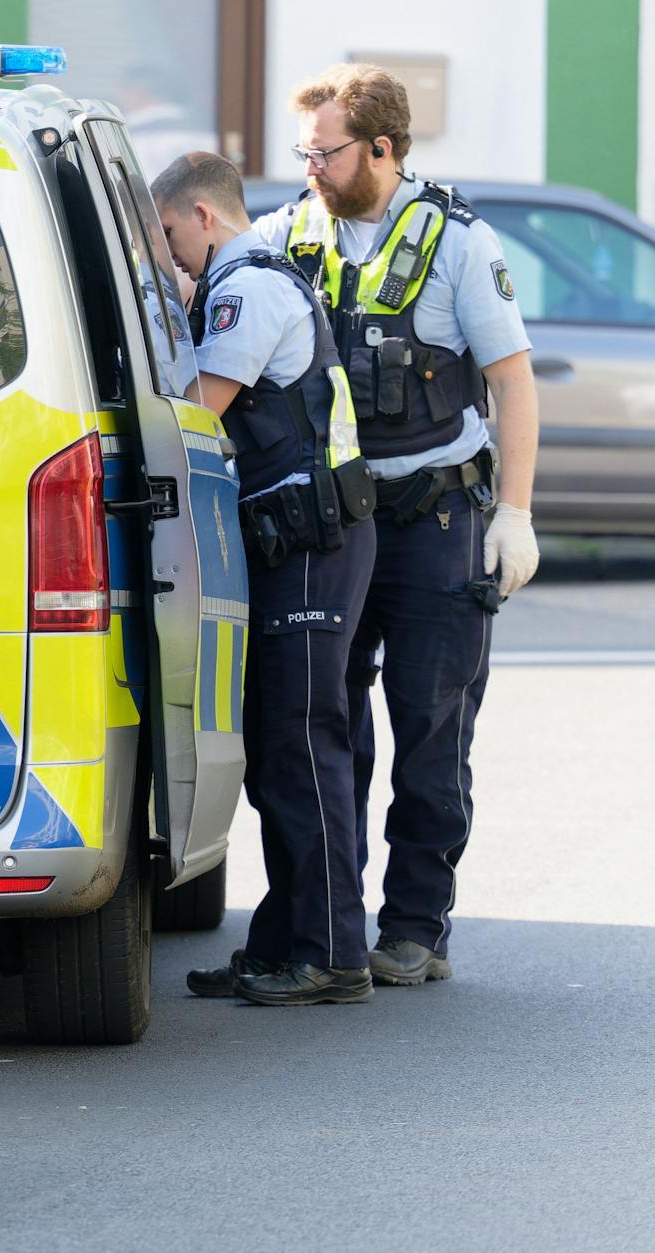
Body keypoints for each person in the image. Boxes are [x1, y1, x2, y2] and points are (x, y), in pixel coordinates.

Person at [253, 65, 540, 986]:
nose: (311, 169)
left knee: (429, 728)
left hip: (434, 517)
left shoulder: (458, 243)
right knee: (321, 721)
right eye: (303, 151)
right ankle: (326, 922)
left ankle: (416, 922)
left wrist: (519, 516)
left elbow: (514, 382)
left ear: (381, 148)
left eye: (325, 152)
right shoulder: (286, 233)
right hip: (331, 522)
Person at [153, 151, 379, 1006]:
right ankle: (285, 941)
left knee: (302, 743)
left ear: (203, 216)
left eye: (172, 234)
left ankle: (332, 953)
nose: (173, 254)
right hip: (292, 541)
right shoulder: (242, 278)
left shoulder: (247, 283)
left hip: (313, 541)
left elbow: (196, 407)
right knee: (275, 749)